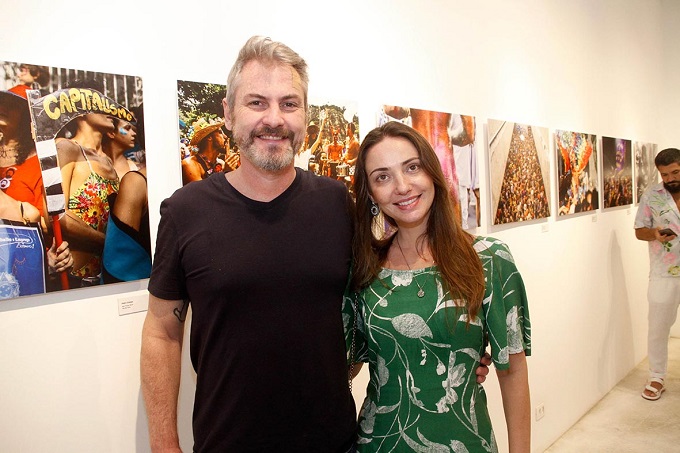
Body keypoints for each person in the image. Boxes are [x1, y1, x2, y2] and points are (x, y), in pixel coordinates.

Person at [140, 35, 490, 452]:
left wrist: (456, 345)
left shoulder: (338, 204)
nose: (274, 119)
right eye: (257, 102)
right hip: (227, 442)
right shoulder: (185, 211)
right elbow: (162, 331)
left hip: (335, 443)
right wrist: (164, 443)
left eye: (289, 104)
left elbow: (385, 290)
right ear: (228, 113)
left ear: (305, 116)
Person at [347, 121, 532, 452]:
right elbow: (350, 365)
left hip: (466, 441)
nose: (402, 186)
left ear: (432, 173)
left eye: (412, 167)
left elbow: (513, 372)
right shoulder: (365, 269)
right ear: (371, 194)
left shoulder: (488, 259)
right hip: (381, 442)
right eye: (382, 177)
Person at [55, 80, 119, 287]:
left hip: (108, 277)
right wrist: (109, 243)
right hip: (75, 278)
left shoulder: (108, 161)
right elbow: (56, 215)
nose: (109, 108)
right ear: (80, 110)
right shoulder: (67, 148)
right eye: (100, 101)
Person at [634, 147, 680, 401]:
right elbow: (639, 230)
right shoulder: (651, 195)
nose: (670, 178)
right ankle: (656, 376)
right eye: (665, 175)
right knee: (658, 328)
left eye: (675, 172)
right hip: (664, 272)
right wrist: (654, 233)